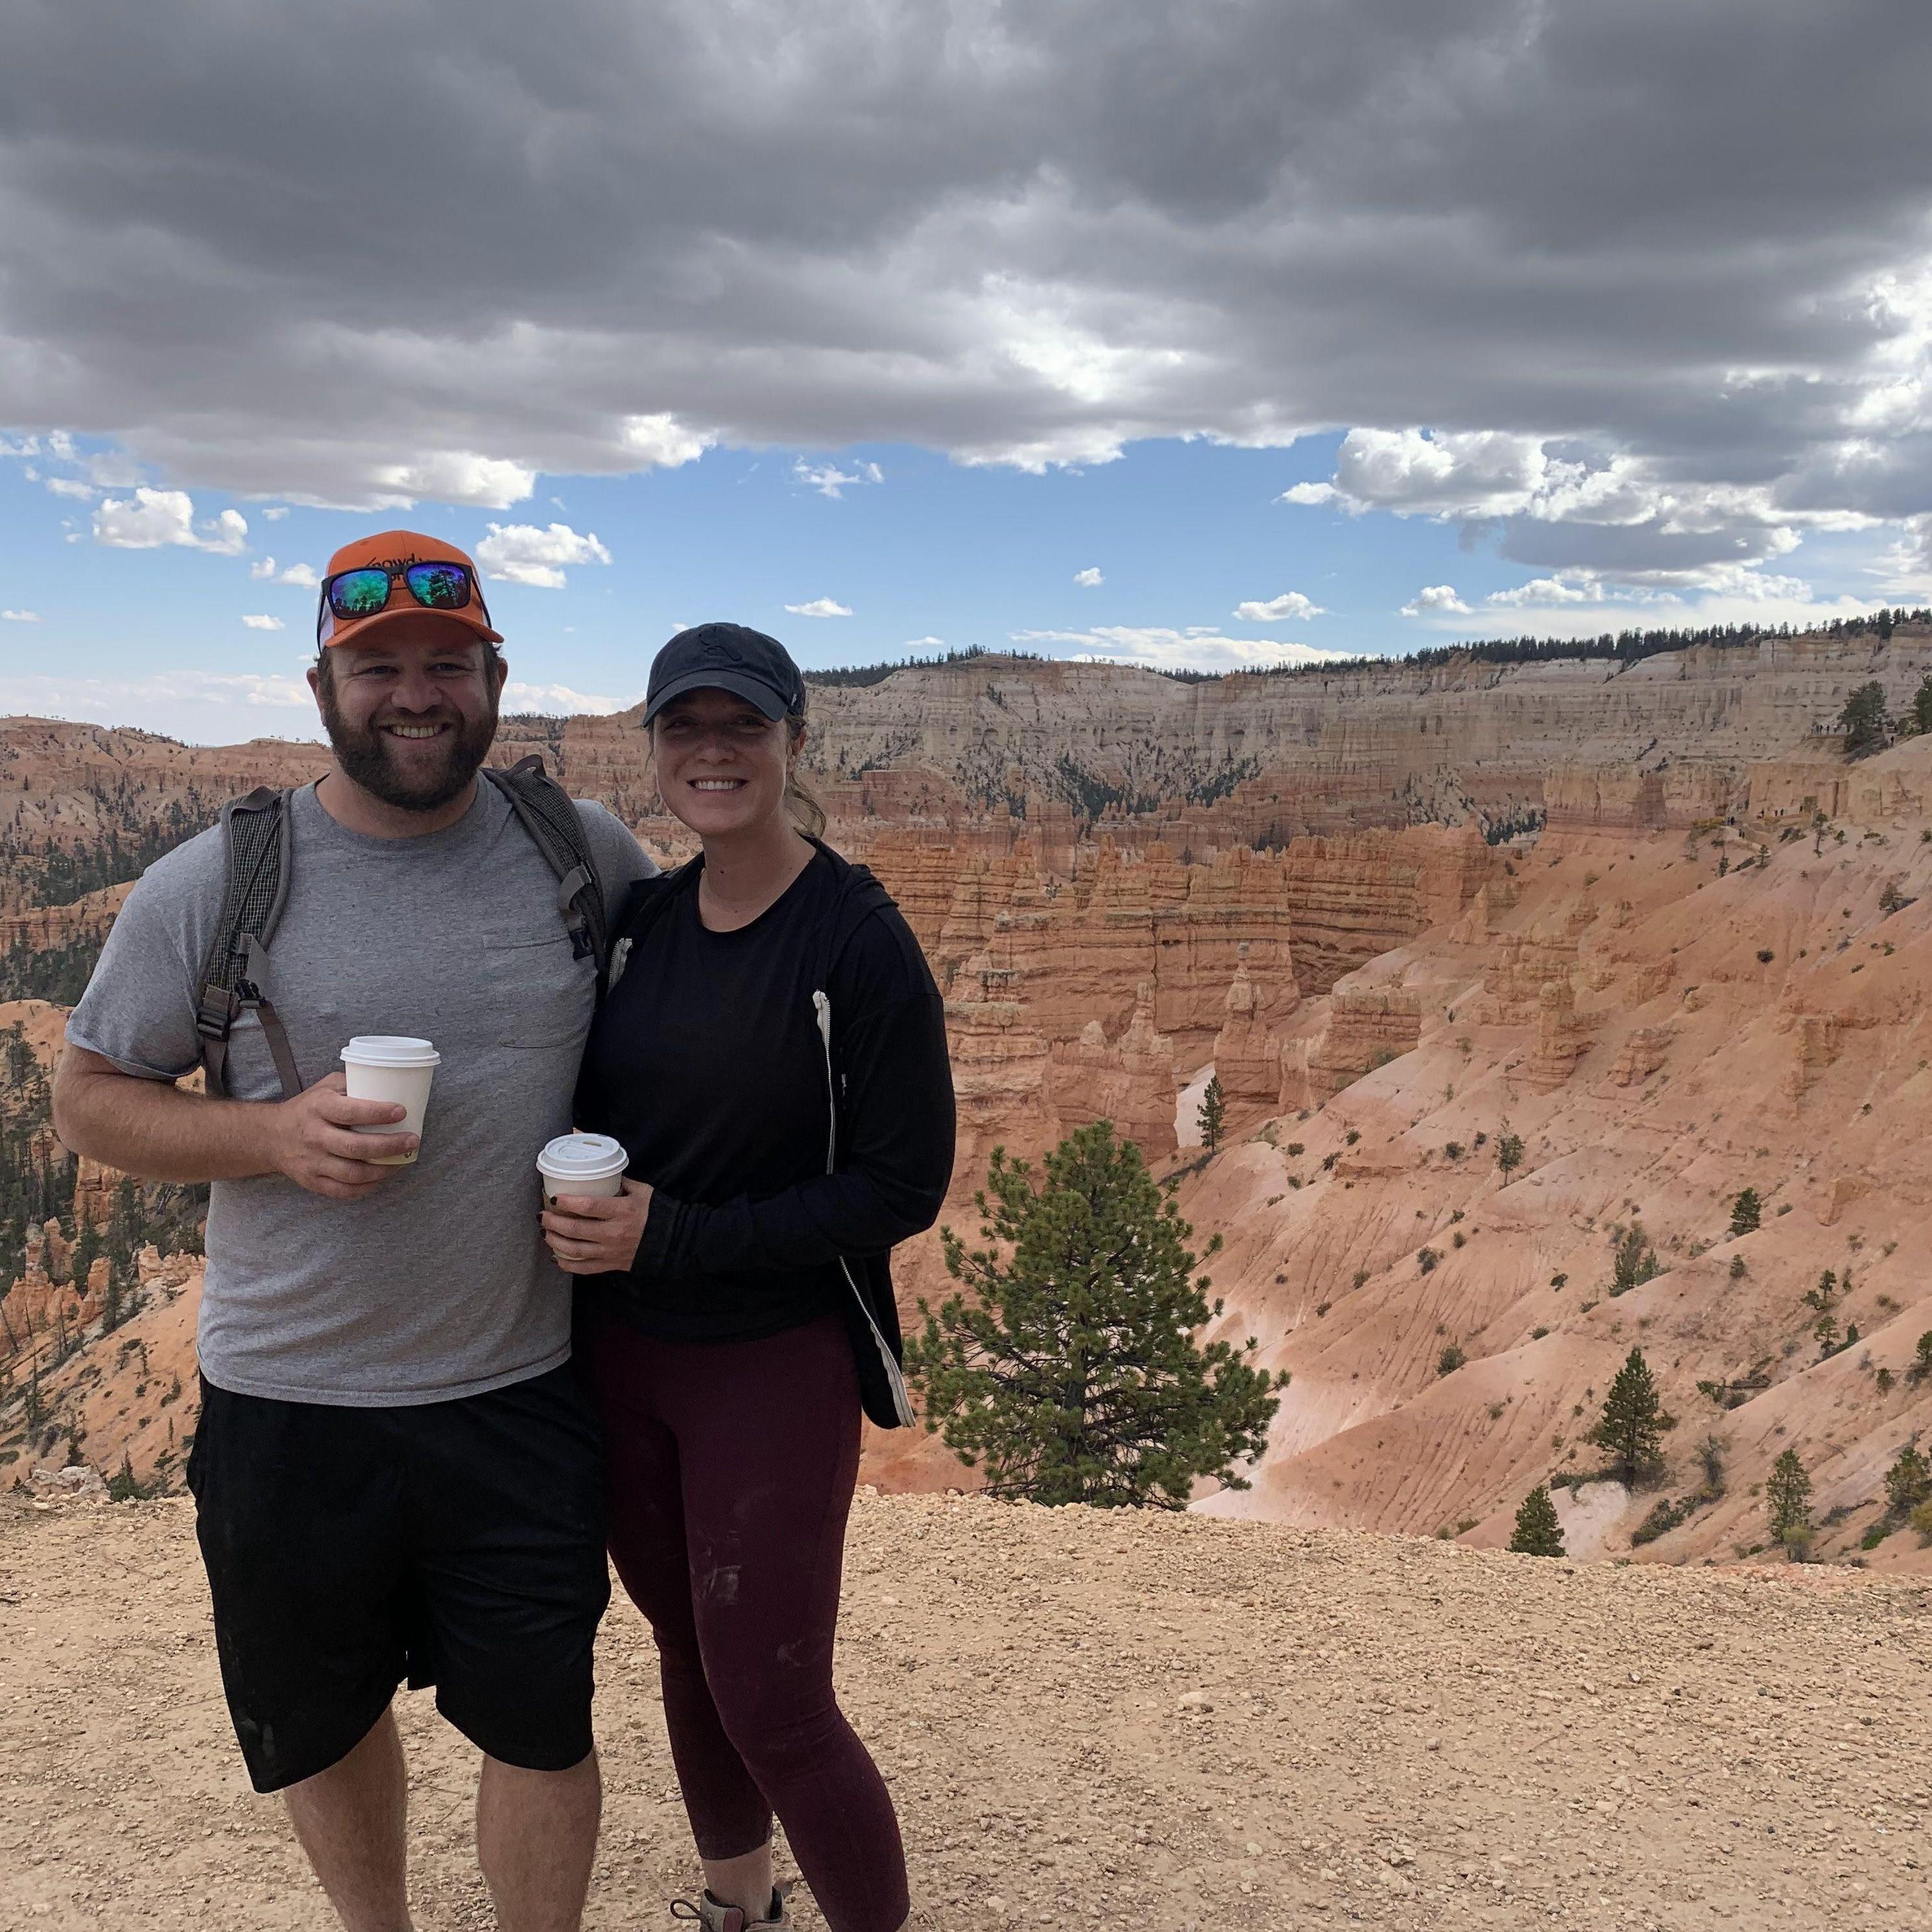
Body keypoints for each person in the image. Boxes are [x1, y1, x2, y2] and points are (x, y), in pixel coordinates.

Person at [52, 531, 654, 1932]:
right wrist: (270, 1133)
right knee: (319, 1721)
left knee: (543, 1722)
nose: (415, 693)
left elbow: (708, 1015)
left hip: (519, 1384)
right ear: (323, 680)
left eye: (447, 663)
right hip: (289, 1397)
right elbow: (89, 1099)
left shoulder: (586, 852)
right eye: (376, 665)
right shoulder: (212, 883)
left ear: (494, 676)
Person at [542, 623, 955, 1932]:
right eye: (685, 726)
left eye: (742, 726)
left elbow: (900, 1187)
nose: (711, 750)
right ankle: (739, 1903)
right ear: (653, 742)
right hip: (621, 1354)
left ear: (790, 740)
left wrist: (675, 1237)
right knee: (685, 1646)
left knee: (777, 1694)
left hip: (769, 1360)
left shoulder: (854, 938)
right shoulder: (645, 919)